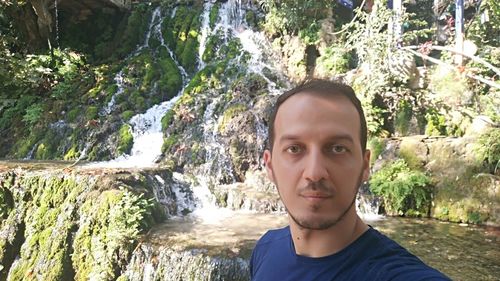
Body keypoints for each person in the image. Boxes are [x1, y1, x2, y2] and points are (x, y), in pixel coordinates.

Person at [250, 79, 450, 280]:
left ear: (364, 166)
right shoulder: (266, 250)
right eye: (294, 149)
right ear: (269, 165)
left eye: (337, 149)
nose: (314, 172)